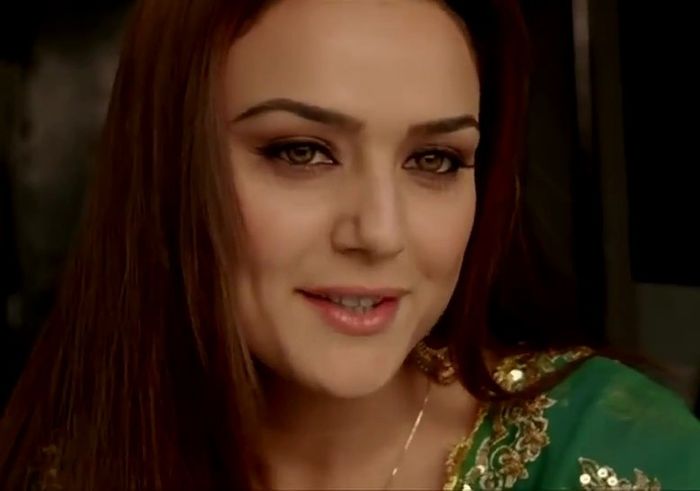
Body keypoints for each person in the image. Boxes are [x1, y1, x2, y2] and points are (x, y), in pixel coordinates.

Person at [1, 0, 698, 489]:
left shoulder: (615, 451)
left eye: (434, 160)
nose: (379, 233)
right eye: (302, 152)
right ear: (169, 169)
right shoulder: (63, 466)